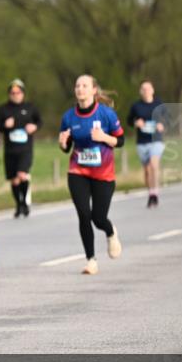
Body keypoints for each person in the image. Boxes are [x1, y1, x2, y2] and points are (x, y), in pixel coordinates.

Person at [59, 74, 125, 274]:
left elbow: (120, 141)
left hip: (103, 173)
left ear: (94, 90)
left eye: (84, 85)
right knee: (83, 214)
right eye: (77, 85)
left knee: (98, 217)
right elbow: (66, 146)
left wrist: (104, 137)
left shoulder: (106, 114)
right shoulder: (69, 117)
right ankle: (91, 260)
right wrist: (63, 143)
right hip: (78, 170)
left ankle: (111, 232)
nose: (80, 89)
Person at [0, 79, 42, 217]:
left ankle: (25, 203)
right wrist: (4, 125)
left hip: (25, 149)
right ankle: (19, 204)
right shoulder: (3, 109)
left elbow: (39, 121)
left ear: (23, 93)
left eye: (18, 92)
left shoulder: (30, 107)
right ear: (9, 94)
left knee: (22, 175)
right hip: (10, 150)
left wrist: (34, 127)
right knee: (14, 179)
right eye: (13, 93)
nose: (15, 95)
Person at [127, 80, 167, 208]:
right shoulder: (136, 106)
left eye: (148, 88)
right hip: (142, 142)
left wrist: (162, 124)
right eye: (143, 89)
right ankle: (151, 193)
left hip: (156, 140)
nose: (146, 91)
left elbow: (169, 118)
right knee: (146, 170)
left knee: (153, 164)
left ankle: (155, 192)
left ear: (153, 90)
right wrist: (135, 123)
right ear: (140, 92)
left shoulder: (159, 103)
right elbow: (129, 120)